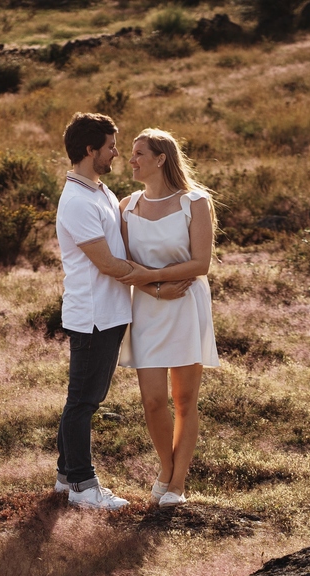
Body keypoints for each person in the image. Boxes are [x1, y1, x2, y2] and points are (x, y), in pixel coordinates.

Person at [116, 129, 220, 508]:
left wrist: (149, 276)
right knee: (153, 401)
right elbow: (127, 266)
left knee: (185, 397)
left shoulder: (195, 202)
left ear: (161, 159)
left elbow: (201, 263)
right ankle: (165, 466)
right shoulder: (127, 206)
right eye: (131, 153)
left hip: (186, 303)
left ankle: (177, 483)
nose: (131, 160)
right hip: (147, 306)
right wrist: (152, 285)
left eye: (139, 153)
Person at [53, 112, 141, 510]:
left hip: (109, 311)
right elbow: (106, 263)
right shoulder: (76, 200)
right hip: (92, 315)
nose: (116, 153)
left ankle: (65, 479)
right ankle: (85, 488)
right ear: (91, 150)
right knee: (83, 403)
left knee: (84, 399)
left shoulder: (98, 191)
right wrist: (158, 280)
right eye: (110, 146)